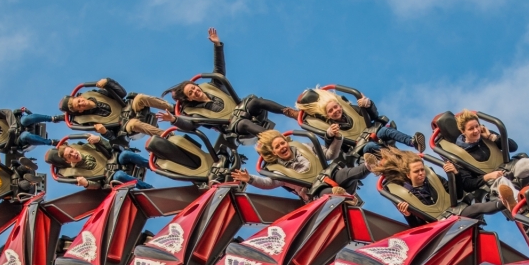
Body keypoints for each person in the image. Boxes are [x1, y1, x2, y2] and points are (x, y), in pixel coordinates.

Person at [165, 28, 297, 139]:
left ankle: (289, 112)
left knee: (255, 101)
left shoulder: (212, 86)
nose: (195, 91)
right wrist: (173, 120)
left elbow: (219, 69)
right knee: (244, 123)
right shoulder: (194, 113)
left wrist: (217, 45)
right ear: (189, 98)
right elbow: (191, 125)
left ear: (197, 86)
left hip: (242, 109)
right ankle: (274, 138)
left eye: (194, 88)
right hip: (233, 125)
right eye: (191, 93)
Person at [371, 147, 515, 226]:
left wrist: (455, 174)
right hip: (436, 226)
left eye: (422, 170)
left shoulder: (432, 179)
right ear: (408, 175)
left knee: (473, 208)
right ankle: (505, 203)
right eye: (417, 172)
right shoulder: (403, 193)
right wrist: (408, 216)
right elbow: (418, 227)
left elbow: (457, 194)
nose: (421, 173)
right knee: (468, 211)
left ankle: (507, 202)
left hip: (454, 211)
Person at [448, 110, 529, 198]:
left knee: (526, 162)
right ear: (462, 131)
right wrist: (488, 176)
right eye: (471, 129)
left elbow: (513, 147)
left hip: (507, 168)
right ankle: (519, 204)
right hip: (491, 182)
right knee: (502, 182)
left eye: (477, 126)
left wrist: (493, 137)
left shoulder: (485, 135)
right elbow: (467, 185)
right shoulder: (460, 155)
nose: (476, 131)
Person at [231, 130, 372, 202]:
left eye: (282, 143)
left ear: (286, 142)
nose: (282, 147)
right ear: (273, 152)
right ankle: (346, 200)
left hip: (329, 175)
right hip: (315, 191)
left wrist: (337, 138)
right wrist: (250, 179)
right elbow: (268, 183)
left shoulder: (303, 147)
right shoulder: (278, 171)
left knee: (345, 173)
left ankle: (370, 166)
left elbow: (330, 155)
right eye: (277, 147)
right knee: (329, 193)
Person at [296, 87, 425, 155]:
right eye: (331, 111)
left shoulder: (351, 109)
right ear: (328, 115)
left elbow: (373, 116)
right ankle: (394, 156)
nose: (335, 111)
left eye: (336, 107)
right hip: (359, 145)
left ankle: (412, 142)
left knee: (387, 131)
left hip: (371, 130)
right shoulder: (329, 126)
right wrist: (330, 135)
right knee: (372, 147)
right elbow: (330, 144)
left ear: (340, 105)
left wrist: (367, 104)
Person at [59, 78, 168, 139]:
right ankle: (167, 135)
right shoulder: (88, 121)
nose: (81, 103)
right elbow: (112, 137)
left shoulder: (96, 94)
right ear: (80, 111)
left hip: (128, 108)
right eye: (79, 106)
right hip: (123, 124)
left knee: (139, 98)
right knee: (134, 124)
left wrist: (108, 82)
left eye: (79, 101)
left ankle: (172, 108)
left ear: (80, 97)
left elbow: (122, 93)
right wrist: (104, 132)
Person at [44, 135, 154, 190]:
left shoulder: (85, 147)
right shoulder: (75, 173)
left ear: (74, 148)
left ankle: (153, 165)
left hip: (114, 160)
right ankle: (149, 189)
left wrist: (99, 140)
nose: (73, 155)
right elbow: (96, 185)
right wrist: (86, 184)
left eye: (72, 151)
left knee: (125, 154)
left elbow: (109, 147)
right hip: (108, 176)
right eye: (70, 156)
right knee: (119, 175)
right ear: (68, 161)